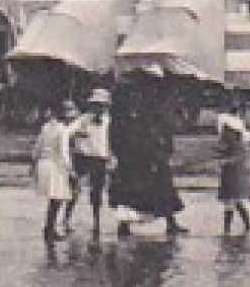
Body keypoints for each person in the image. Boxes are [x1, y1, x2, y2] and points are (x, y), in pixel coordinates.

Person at [108, 73, 187, 237]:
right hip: (134, 157)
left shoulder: (153, 111)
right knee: (130, 191)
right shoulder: (126, 115)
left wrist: (163, 152)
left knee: (161, 189)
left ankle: (170, 223)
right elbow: (117, 137)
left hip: (151, 156)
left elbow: (164, 134)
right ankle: (124, 225)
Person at [66, 87, 114, 238]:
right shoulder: (83, 119)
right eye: (95, 104)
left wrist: (111, 158)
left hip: (100, 158)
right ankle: (66, 218)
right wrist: (76, 136)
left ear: (107, 106)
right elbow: (67, 133)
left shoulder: (110, 121)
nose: (98, 108)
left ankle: (96, 221)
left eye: (101, 105)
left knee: (97, 191)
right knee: (75, 188)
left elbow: (114, 141)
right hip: (83, 156)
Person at [30, 100, 77, 242]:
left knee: (54, 198)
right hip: (55, 166)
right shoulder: (63, 130)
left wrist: (33, 164)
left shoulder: (46, 127)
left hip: (43, 164)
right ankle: (49, 229)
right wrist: (71, 171)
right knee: (57, 199)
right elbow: (64, 152)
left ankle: (49, 227)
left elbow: (37, 147)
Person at [215, 104, 250, 236]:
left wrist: (225, 160)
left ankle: (228, 229)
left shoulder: (236, 143)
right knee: (235, 201)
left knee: (231, 202)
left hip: (233, 174)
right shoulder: (237, 141)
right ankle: (246, 225)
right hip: (233, 173)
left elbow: (236, 157)